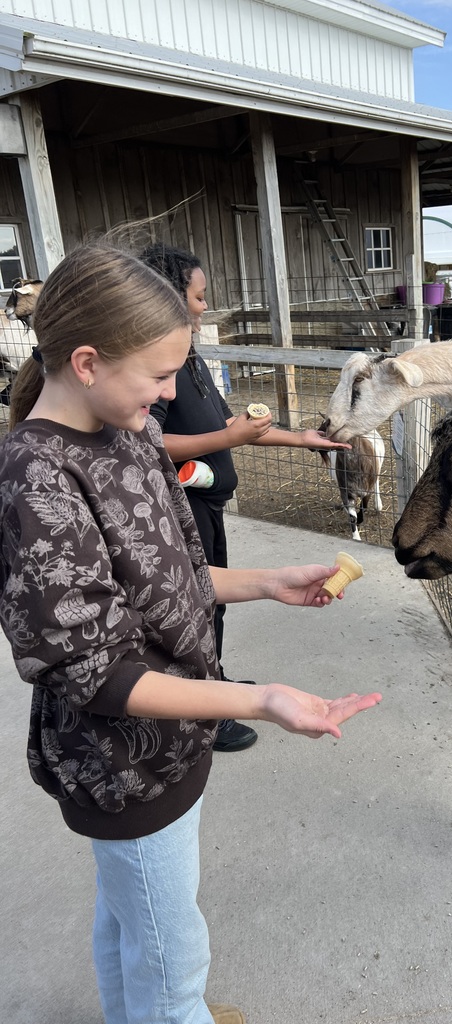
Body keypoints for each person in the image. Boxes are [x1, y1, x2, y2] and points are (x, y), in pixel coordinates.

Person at [0, 242, 382, 1024]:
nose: (173, 390)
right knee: (175, 960)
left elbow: (174, 574)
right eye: (160, 373)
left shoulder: (132, 433)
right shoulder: (36, 480)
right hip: (121, 763)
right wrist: (258, 697)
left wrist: (268, 584)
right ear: (85, 361)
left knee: (128, 918)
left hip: (172, 743)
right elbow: (97, 675)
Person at [139, 243, 349, 753]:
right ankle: (199, 712)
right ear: (169, 297)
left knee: (212, 603)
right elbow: (149, 440)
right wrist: (226, 441)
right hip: (183, 506)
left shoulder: (189, 357)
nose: (205, 305)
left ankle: (215, 685)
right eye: (199, 295)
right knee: (195, 606)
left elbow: (228, 424)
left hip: (208, 506)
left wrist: (298, 439)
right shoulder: (160, 366)